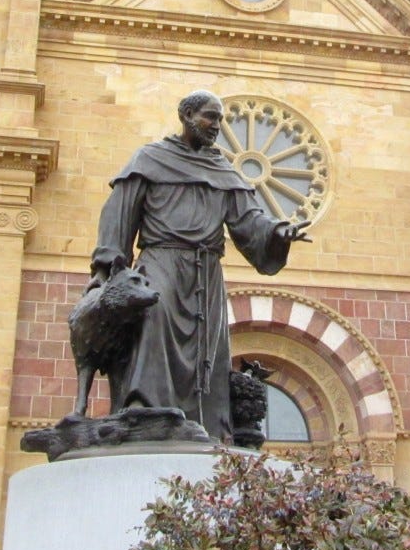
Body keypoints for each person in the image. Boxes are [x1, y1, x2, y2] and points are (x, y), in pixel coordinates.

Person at [90, 90, 310, 440]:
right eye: (210, 116)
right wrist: (107, 268)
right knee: (153, 321)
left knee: (207, 350)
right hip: (161, 261)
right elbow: (120, 211)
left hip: (206, 270)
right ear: (187, 115)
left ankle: (203, 426)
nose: (217, 126)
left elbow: (249, 220)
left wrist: (277, 232)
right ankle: (141, 410)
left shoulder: (222, 169)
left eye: (221, 119)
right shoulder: (150, 158)